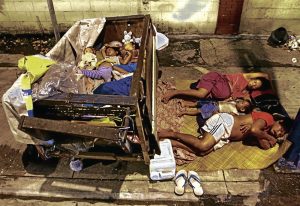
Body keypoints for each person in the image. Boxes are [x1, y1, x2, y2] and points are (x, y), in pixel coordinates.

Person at [158, 111, 292, 155]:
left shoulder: (265, 131)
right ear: (278, 121)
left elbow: (265, 145)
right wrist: (268, 136)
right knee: (203, 145)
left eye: (281, 134)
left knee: (202, 152)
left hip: (225, 135)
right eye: (281, 129)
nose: (279, 133)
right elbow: (253, 130)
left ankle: (173, 142)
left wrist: (269, 139)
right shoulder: (268, 119)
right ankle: (172, 134)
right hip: (225, 122)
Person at [162, 72, 270, 103]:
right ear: (252, 78)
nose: (254, 84)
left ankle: (178, 94)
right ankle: (174, 92)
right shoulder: (244, 77)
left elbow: (249, 101)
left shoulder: (245, 92)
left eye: (256, 86)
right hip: (217, 80)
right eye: (255, 81)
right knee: (200, 94)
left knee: (196, 100)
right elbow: (265, 75)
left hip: (213, 91)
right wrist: (268, 79)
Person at [178, 98, 252, 118]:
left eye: (242, 103)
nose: (240, 101)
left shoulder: (235, 112)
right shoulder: (234, 103)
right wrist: (227, 100)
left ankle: (185, 112)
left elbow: (226, 116)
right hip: (215, 103)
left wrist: (217, 114)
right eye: (242, 101)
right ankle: (186, 104)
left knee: (199, 111)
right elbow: (225, 102)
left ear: (242, 109)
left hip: (214, 109)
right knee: (199, 103)